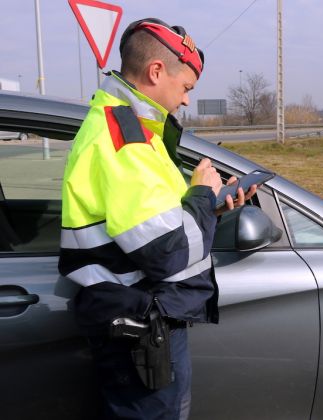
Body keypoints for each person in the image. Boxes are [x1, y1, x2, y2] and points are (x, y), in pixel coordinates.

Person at [58, 18, 253, 419]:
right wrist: (200, 190)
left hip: (144, 318)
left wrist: (212, 204)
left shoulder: (132, 130)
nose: (185, 100)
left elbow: (156, 221)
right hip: (140, 326)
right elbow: (165, 252)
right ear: (156, 71)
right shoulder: (124, 137)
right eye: (186, 88)